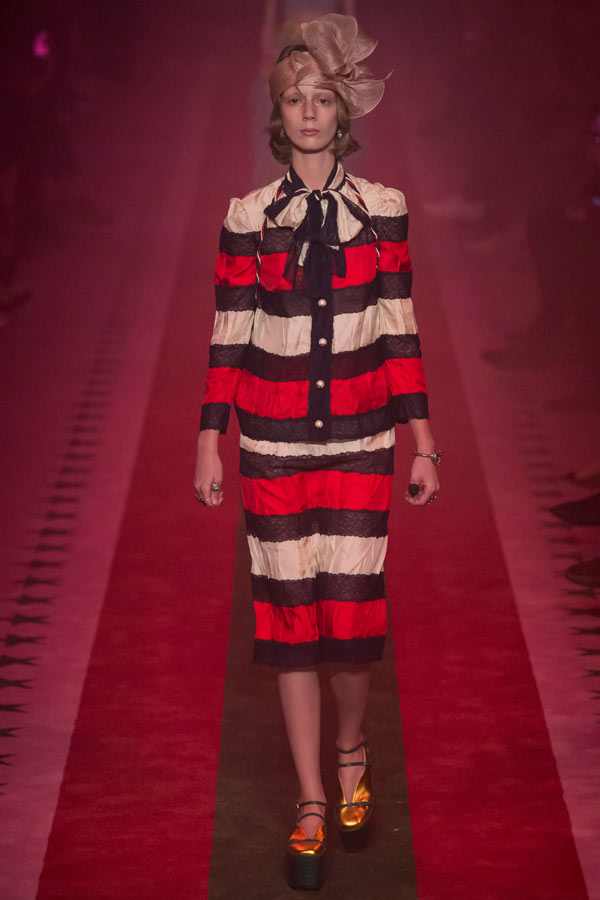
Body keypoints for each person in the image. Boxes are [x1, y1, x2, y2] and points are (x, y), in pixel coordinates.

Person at [194, 13, 441, 891]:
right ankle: (310, 799)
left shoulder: (383, 210)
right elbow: (229, 330)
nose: (308, 112)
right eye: (295, 99)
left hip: (363, 442)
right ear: (278, 113)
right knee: (290, 625)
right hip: (269, 444)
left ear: (344, 112)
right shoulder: (248, 217)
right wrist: (210, 440)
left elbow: (399, 324)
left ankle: (349, 750)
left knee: (353, 626)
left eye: (323, 99)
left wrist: (423, 442)